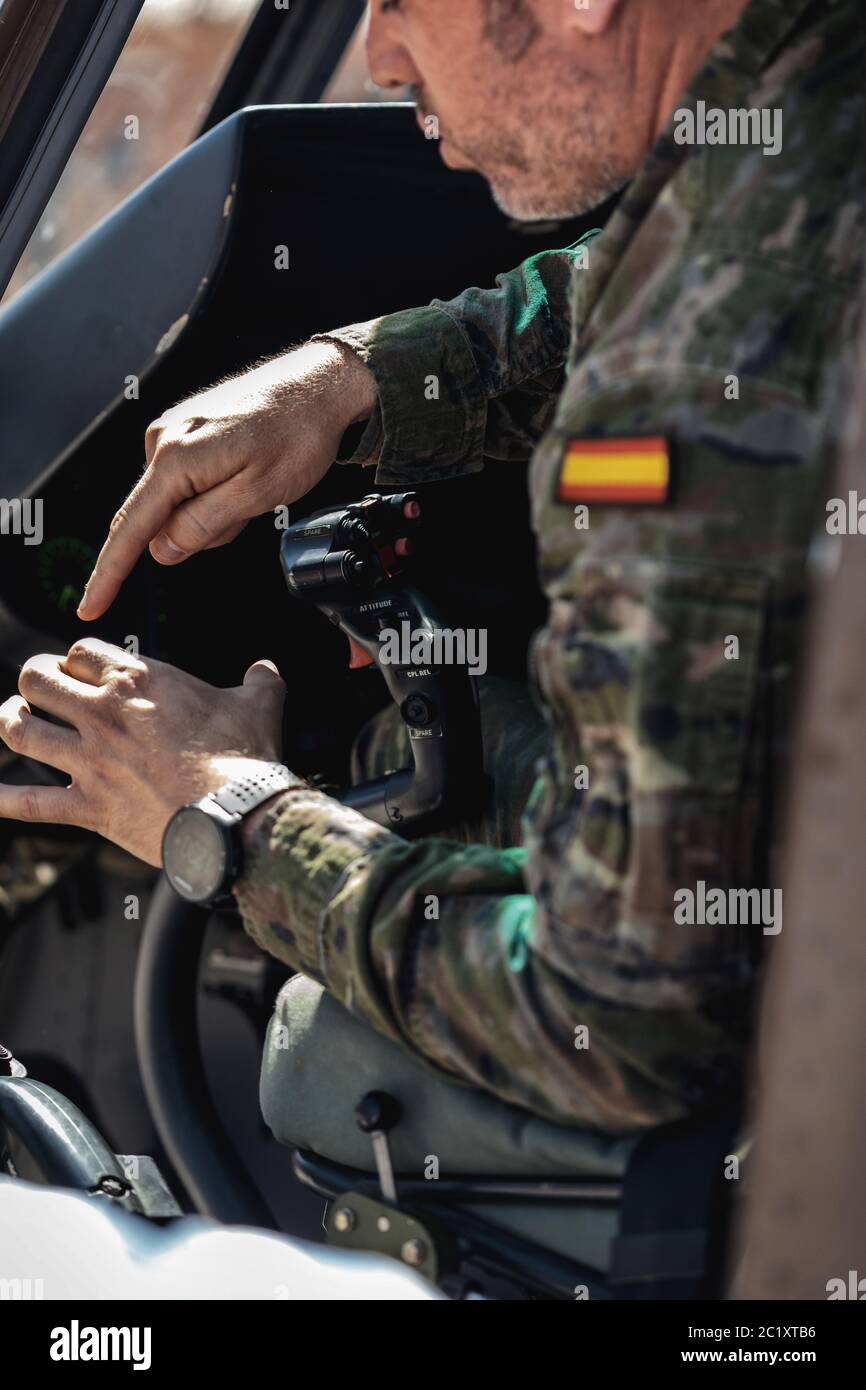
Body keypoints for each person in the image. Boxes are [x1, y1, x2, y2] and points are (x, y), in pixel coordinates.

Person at [0, 0, 863, 1131]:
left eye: (405, 1)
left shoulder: (682, 392)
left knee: (309, 1072)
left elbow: (615, 1024)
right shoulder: (809, 92)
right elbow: (678, 258)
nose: (378, 56)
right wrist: (350, 377)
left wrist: (224, 811)